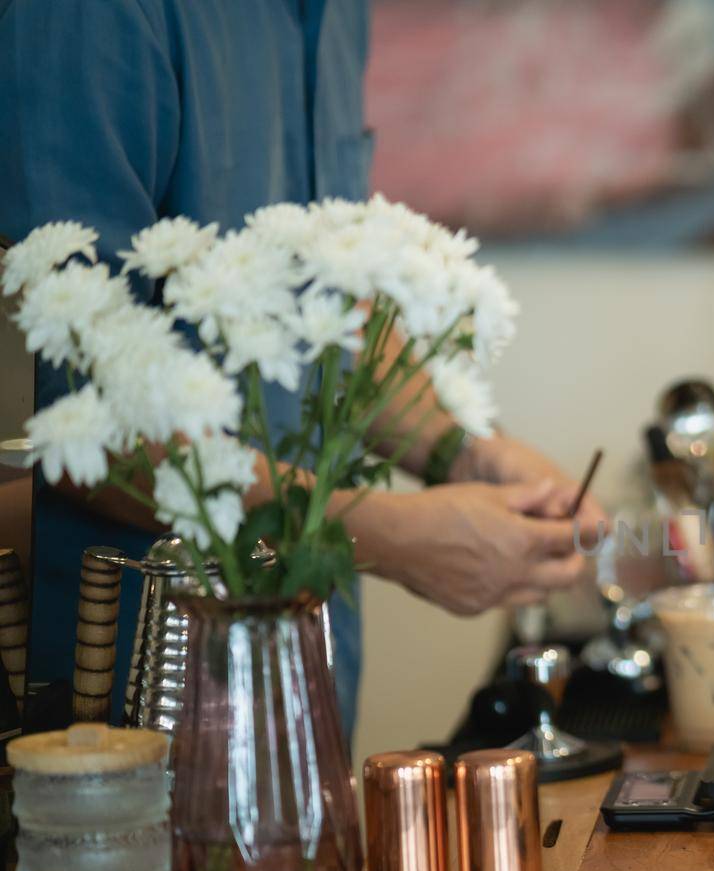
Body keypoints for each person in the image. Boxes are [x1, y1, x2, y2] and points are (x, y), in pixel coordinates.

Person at [0, 0, 605, 736]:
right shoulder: (90, 17)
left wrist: (466, 452)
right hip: (132, 721)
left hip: (307, 691)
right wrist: (383, 534)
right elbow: (73, 424)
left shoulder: (339, 14)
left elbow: (324, 314)